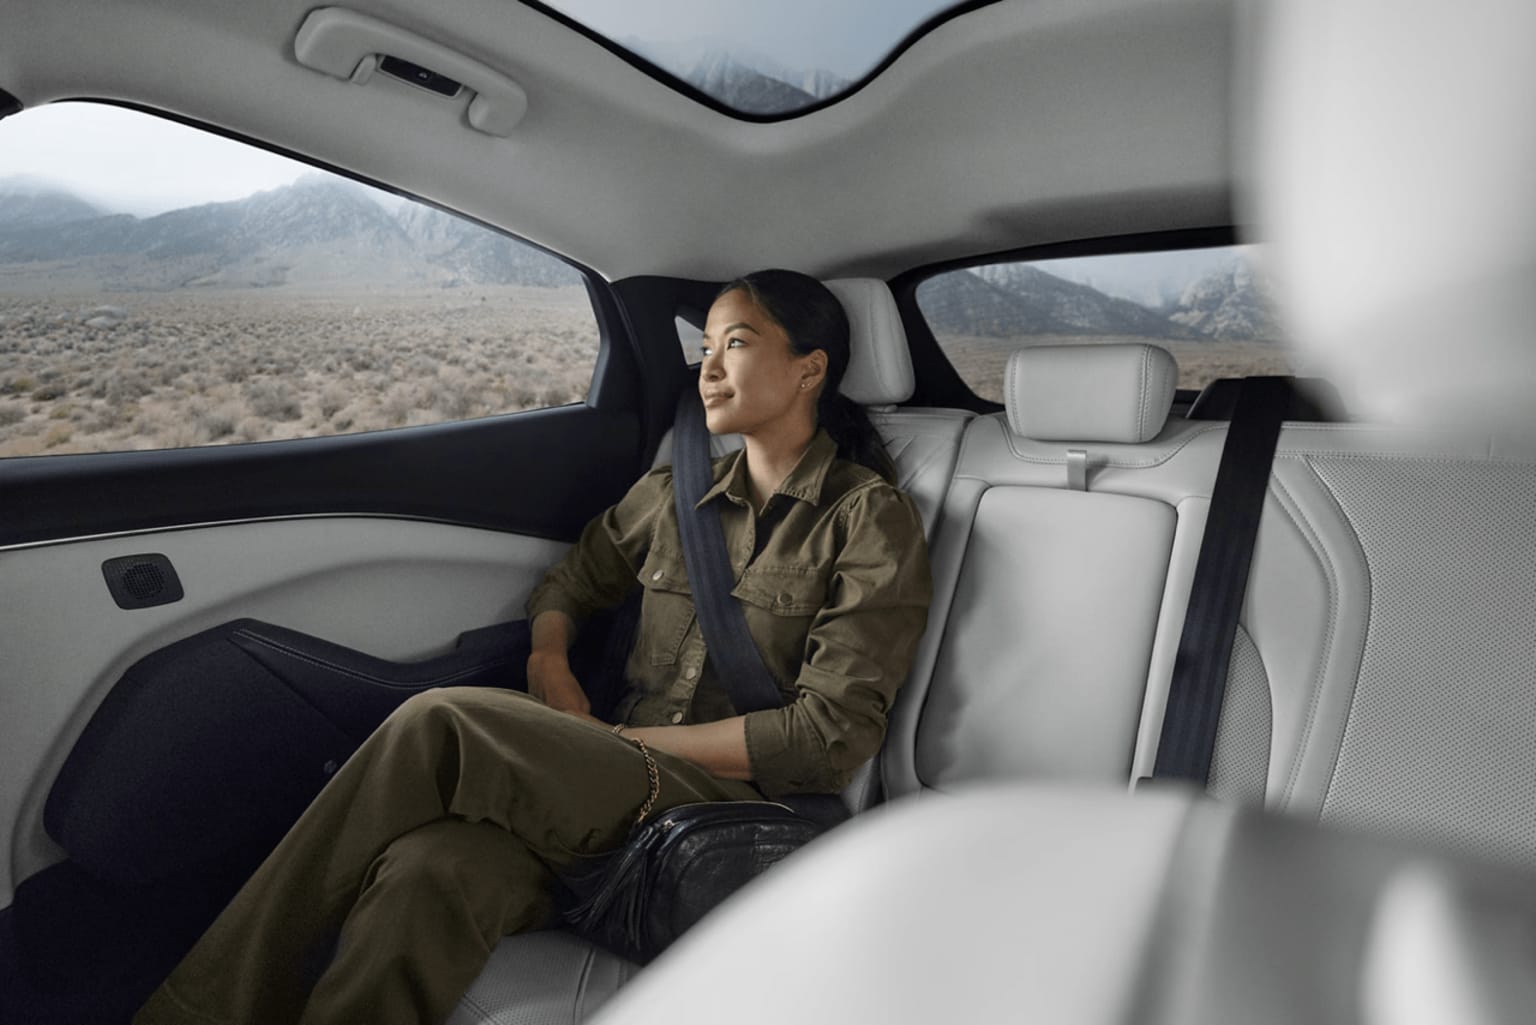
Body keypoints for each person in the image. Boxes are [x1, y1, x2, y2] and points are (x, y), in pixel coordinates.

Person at [134, 269, 933, 1025]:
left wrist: (616, 742)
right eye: (706, 346)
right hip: (615, 788)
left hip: (729, 813)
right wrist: (549, 661)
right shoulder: (672, 496)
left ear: (809, 369)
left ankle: (194, 1011)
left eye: (737, 342)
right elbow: (569, 585)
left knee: (440, 723)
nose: (709, 368)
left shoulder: (867, 518)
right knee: (429, 869)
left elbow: (829, 739)